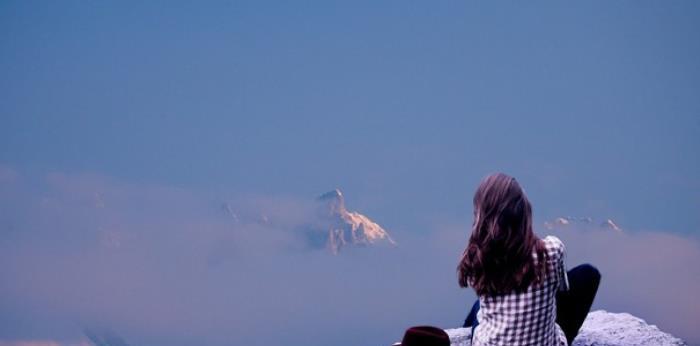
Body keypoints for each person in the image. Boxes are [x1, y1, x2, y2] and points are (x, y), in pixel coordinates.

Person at [457, 173, 601, 346]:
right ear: (524, 211)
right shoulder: (552, 250)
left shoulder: (477, 259)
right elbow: (561, 289)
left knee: (478, 307)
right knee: (588, 273)